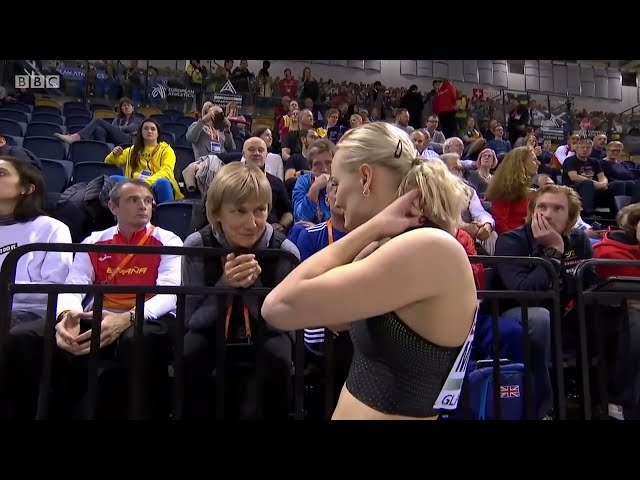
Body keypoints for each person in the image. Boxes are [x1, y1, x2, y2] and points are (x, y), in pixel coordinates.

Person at [261, 122, 478, 420]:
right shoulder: (391, 248)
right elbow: (335, 320)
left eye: (337, 182)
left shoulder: (427, 247)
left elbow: (279, 307)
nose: (334, 199)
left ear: (365, 177)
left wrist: (372, 227)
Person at [182, 162, 300, 419]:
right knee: (190, 352)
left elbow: (286, 325)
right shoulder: (196, 246)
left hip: (266, 331)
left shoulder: (285, 252)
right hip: (210, 330)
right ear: (217, 213)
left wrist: (252, 288)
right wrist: (225, 285)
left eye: (260, 210)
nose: (252, 223)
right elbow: (191, 319)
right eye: (239, 211)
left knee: (278, 358)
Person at [0, 156, 72, 327]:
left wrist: (5, 288)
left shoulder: (52, 228)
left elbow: (55, 286)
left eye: (1, 173)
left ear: (26, 188)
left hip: (30, 313)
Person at [104, 118, 183, 203]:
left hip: (156, 183)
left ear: (157, 134)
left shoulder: (166, 150)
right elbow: (108, 162)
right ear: (141, 133)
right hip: (135, 183)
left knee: (163, 182)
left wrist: (146, 183)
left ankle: (167, 213)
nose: (149, 131)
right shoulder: (133, 149)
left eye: (153, 129)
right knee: (113, 179)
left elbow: (166, 171)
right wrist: (114, 154)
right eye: (146, 128)